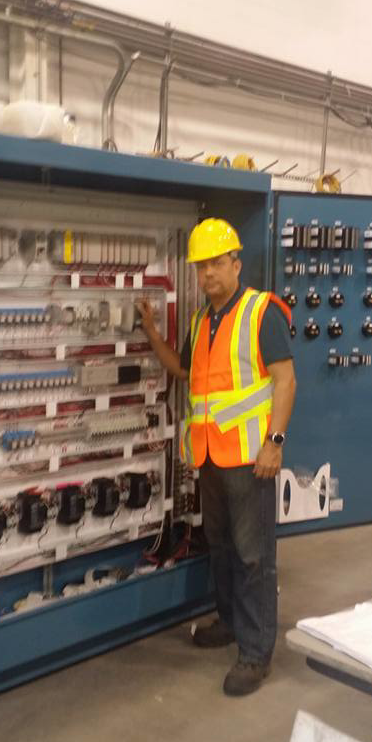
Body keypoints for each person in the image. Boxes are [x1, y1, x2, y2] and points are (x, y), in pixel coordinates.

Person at [137, 217, 296, 696]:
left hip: (251, 458)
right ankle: (229, 622)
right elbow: (183, 372)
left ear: (236, 264)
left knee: (253, 557)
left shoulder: (260, 312)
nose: (208, 273)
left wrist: (275, 442)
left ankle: (255, 653)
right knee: (222, 549)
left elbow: (285, 381)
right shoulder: (202, 321)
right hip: (209, 458)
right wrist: (149, 330)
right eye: (201, 265)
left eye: (216, 262)